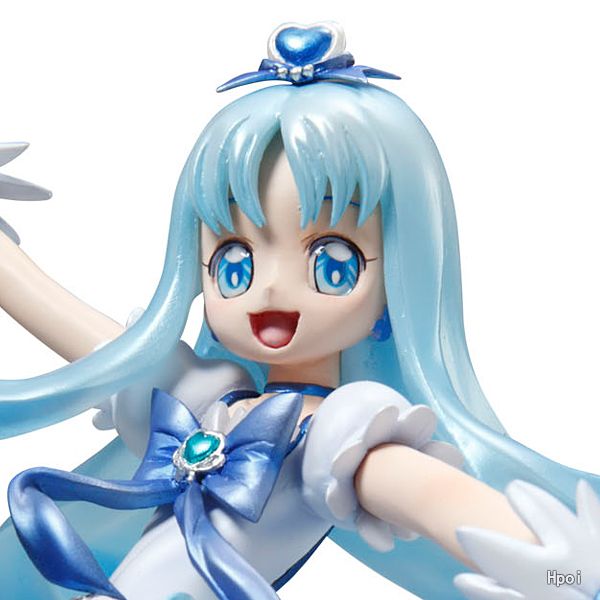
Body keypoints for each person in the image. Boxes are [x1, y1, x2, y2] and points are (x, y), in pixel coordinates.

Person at [2, 22, 600, 600]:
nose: (269, 290)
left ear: (398, 281)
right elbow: (74, 328)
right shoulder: (204, 398)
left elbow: (439, 498)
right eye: (235, 263)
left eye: (331, 264)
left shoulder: (338, 434)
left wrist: (564, 572)